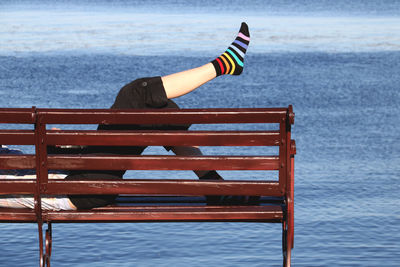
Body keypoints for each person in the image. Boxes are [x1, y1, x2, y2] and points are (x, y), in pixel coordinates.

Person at [0, 22, 255, 211]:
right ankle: (224, 65)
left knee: (153, 109)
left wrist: (57, 148)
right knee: (135, 94)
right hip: (78, 188)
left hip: (81, 179)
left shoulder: (7, 153)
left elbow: (34, 167)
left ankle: (215, 186)